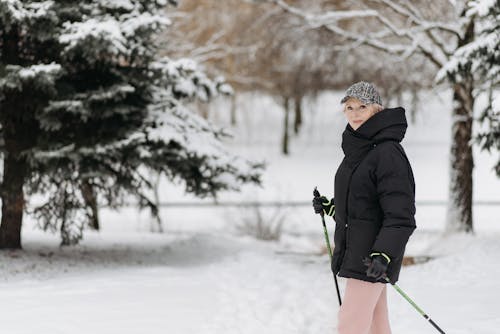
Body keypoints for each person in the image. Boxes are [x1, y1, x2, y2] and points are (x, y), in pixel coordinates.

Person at [312, 81, 416, 334]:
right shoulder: (358, 148)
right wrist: (332, 208)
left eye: (362, 106)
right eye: (349, 107)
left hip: (372, 257)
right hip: (361, 253)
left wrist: (384, 254)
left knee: (350, 324)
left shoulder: (387, 152)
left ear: (377, 110)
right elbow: (364, 207)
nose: (355, 113)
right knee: (375, 324)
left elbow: (400, 215)